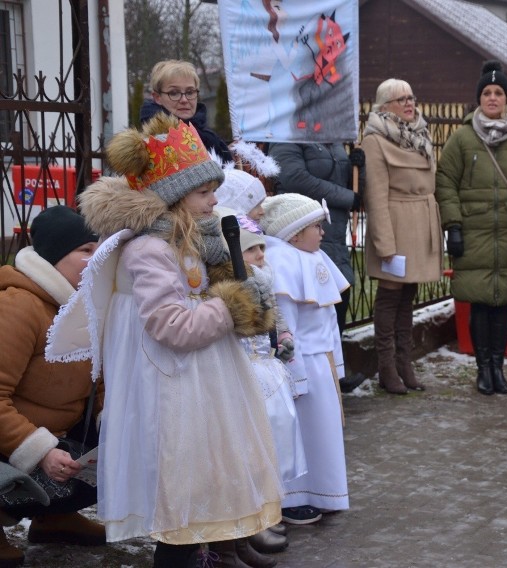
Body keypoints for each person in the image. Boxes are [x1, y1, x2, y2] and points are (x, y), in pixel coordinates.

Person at [69, 114, 284, 567]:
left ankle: (217, 546)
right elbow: (169, 325)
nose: (213, 202)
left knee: (206, 478)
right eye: (204, 193)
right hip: (173, 384)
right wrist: (229, 306)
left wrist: (237, 296)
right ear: (173, 197)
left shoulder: (185, 241)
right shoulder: (150, 250)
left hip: (200, 379)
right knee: (180, 489)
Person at [436, 61, 507, 396]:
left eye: (498, 92)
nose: (492, 98)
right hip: (474, 233)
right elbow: (446, 183)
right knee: (479, 302)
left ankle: (498, 368)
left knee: (504, 304)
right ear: (478, 99)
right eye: (486, 93)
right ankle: (482, 369)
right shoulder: (462, 139)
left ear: (506, 99)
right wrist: (453, 225)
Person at [0, 206, 103, 568]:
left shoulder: (86, 305)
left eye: (100, 249)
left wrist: (114, 425)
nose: (97, 259)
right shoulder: (19, 305)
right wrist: (41, 450)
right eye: (86, 250)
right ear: (56, 257)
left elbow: (99, 383)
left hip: (55, 430)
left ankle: (54, 519)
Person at [260, 193, 350, 524]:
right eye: (315, 226)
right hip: (303, 366)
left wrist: (335, 365)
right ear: (294, 233)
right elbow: (287, 328)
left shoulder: (315, 256)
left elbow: (328, 323)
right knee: (299, 433)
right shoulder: (283, 263)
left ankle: (322, 490)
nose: (322, 232)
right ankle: (295, 498)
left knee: (323, 434)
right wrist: (295, 375)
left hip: (320, 364)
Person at [361, 78, 443, 394]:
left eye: (411, 97)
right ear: (385, 107)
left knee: (408, 297)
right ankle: (387, 367)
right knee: (390, 296)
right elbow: (376, 196)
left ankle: (404, 362)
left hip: (419, 223)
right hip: (395, 225)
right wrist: (384, 244)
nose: (409, 103)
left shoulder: (419, 135)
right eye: (401, 100)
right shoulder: (375, 141)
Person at [234, 214, 308, 560]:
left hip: (269, 375)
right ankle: (252, 519)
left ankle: (270, 511)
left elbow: (275, 318)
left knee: (277, 441)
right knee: (253, 448)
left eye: (263, 247)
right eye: (253, 250)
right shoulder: (232, 287)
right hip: (247, 378)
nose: (262, 254)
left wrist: (284, 337)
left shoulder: (263, 281)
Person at [267, 142, 367, 393]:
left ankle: (335, 370)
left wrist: (358, 167)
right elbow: (294, 177)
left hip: (329, 234)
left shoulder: (333, 140)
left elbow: (353, 186)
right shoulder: (288, 138)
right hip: (300, 226)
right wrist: (345, 197)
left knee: (335, 300)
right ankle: (301, 376)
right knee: (305, 304)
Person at [141, 59, 232, 161]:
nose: (184, 100)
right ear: (157, 97)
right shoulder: (146, 146)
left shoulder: (212, 140)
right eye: (174, 93)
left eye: (190, 92)